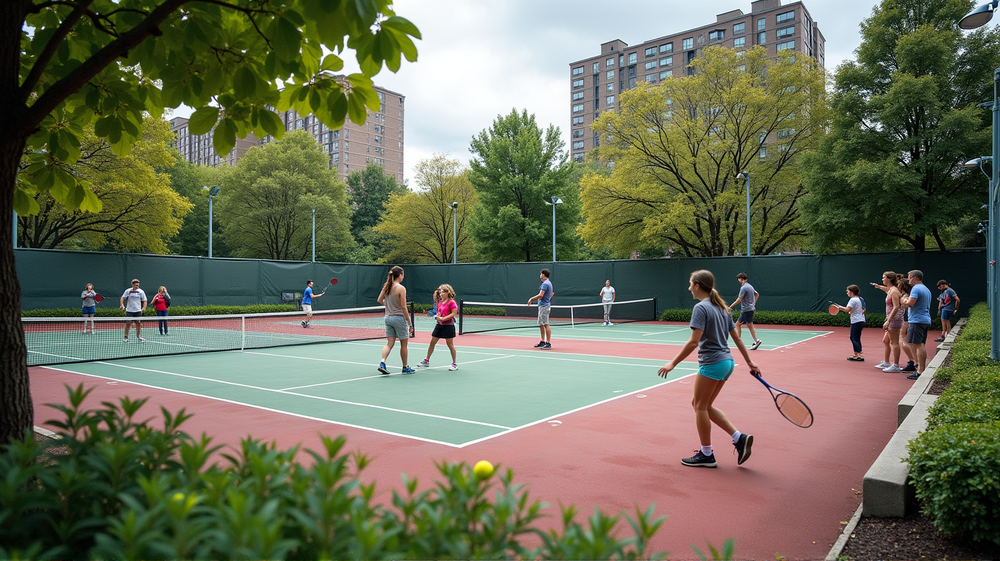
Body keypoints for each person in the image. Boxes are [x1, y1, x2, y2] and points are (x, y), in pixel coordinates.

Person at [658, 269, 760, 468]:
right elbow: (737, 338)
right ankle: (739, 438)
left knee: (700, 407)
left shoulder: (701, 308)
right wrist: (749, 362)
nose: (689, 288)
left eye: (690, 284)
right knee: (701, 404)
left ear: (697, 285)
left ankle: (707, 454)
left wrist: (673, 363)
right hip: (727, 362)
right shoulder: (722, 308)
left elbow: (693, 342)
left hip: (713, 363)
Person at [377, 266, 414, 375]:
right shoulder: (401, 288)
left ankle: (382, 362)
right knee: (404, 344)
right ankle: (405, 367)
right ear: (399, 275)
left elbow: (379, 300)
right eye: (402, 275)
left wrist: (388, 305)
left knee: (389, 343)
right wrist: (409, 323)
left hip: (388, 318)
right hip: (399, 318)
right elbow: (403, 307)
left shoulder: (386, 287)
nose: (403, 277)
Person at [417, 284, 459, 371]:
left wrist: (443, 318)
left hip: (448, 326)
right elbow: (439, 312)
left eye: (443, 291)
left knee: (450, 345)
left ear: (448, 292)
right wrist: (438, 317)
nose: (441, 293)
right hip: (439, 326)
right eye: (440, 291)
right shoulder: (439, 303)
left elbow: (453, 313)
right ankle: (426, 360)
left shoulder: (452, 303)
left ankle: (454, 363)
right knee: (432, 343)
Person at [901, 269, 932, 380]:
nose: (908, 280)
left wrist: (904, 299)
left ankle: (920, 370)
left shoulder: (916, 289)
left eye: (909, 277)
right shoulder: (926, 289)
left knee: (918, 345)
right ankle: (920, 368)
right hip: (924, 319)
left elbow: (910, 303)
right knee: (919, 344)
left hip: (917, 320)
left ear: (914, 277)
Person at [871, 272, 904, 373]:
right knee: (886, 341)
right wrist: (879, 287)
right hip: (891, 318)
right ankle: (886, 362)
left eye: (883, 277)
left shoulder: (894, 291)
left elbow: (896, 306)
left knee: (894, 342)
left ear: (889, 279)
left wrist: (889, 320)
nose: (882, 279)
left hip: (895, 319)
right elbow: (886, 289)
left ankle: (896, 365)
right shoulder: (890, 290)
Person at [727, 272, 762, 350]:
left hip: (747, 310)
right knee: (738, 324)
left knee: (750, 325)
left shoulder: (743, 288)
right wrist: (753, 304)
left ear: (741, 279)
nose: (738, 280)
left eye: (738, 279)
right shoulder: (750, 286)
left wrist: (731, 306)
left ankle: (756, 341)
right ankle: (738, 340)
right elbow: (757, 294)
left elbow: (739, 299)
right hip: (748, 309)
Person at [834, 285, 867, 361]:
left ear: (852, 291)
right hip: (861, 320)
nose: (847, 292)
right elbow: (862, 309)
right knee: (856, 337)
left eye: (847, 291)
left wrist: (838, 307)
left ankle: (858, 355)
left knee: (853, 337)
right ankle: (857, 354)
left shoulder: (853, 300)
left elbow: (846, 309)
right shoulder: (860, 298)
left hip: (856, 321)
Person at [527, 268, 554, 349]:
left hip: (544, 307)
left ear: (543, 275)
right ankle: (542, 341)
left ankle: (548, 343)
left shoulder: (545, 284)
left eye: (540, 274)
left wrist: (531, 299)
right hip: (542, 306)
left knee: (546, 324)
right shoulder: (548, 283)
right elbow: (552, 294)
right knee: (541, 324)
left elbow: (541, 295)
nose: (540, 276)